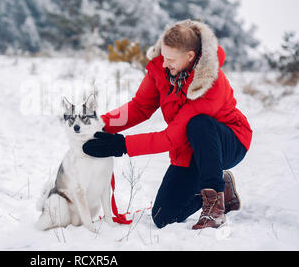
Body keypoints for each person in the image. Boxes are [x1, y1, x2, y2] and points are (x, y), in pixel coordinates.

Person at [82, 19, 253, 230]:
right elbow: (139, 107)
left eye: (170, 59)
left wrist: (121, 145)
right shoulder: (161, 70)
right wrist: (99, 125)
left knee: (199, 124)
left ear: (190, 56)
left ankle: (214, 206)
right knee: (164, 217)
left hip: (229, 141)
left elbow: (172, 137)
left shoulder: (210, 82)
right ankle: (224, 186)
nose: (164, 63)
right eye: (163, 56)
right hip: (190, 146)